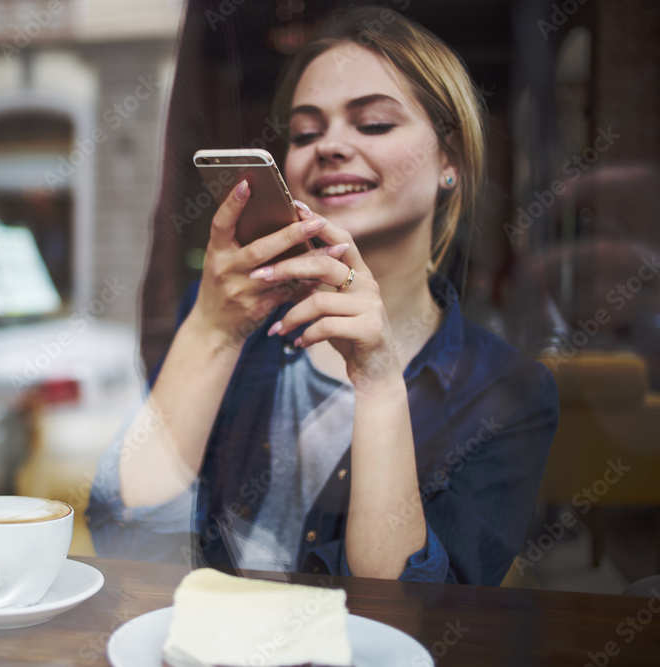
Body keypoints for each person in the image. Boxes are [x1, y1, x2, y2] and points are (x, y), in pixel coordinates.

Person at [86, 6, 559, 586]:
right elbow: (121, 532)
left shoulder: (511, 392)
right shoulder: (227, 320)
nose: (329, 146)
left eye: (375, 124)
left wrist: (381, 382)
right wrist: (211, 332)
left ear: (449, 161)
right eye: (306, 132)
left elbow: (420, 616)